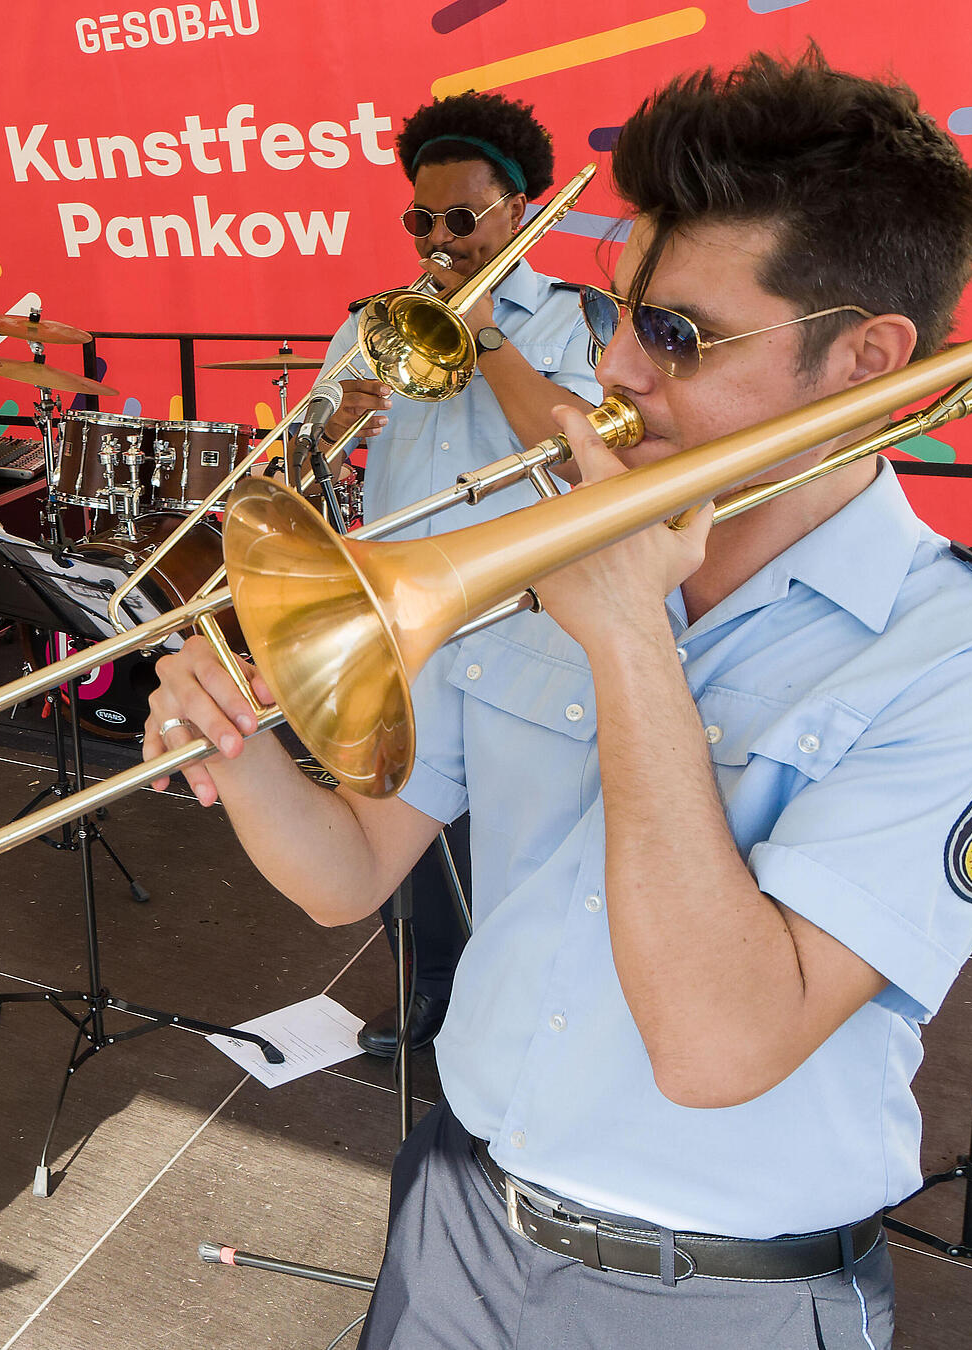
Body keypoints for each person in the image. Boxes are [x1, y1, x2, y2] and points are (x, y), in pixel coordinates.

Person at [146, 49, 972, 1348]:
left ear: (864, 359)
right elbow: (350, 873)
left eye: (680, 333)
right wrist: (237, 749)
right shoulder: (537, 560)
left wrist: (628, 639)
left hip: (718, 1294)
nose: (620, 368)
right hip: (461, 1213)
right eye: (623, 311)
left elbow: (718, 1045)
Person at [315, 91, 603, 1058]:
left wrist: (484, 334)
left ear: (518, 209)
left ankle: (518, 1014)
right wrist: (339, 417)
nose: (439, 241)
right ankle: (425, 986)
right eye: (420, 221)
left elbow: (580, 457)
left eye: (461, 219)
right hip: (405, 608)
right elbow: (311, 451)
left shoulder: (575, 322)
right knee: (394, 813)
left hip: (527, 619)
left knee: (524, 836)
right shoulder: (374, 323)